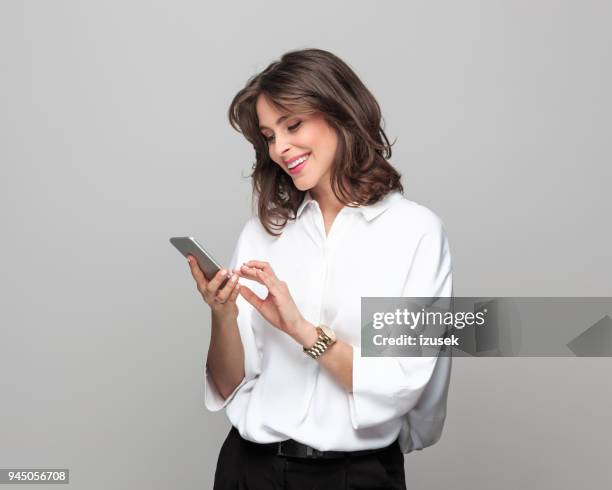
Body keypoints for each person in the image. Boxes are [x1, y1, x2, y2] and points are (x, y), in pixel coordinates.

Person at [186, 48, 454, 490]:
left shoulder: (416, 233)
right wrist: (222, 315)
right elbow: (229, 384)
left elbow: (398, 384)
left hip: (355, 474)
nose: (280, 148)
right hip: (250, 470)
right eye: (269, 136)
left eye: (293, 125)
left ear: (341, 113)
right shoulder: (262, 234)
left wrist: (301, 329)